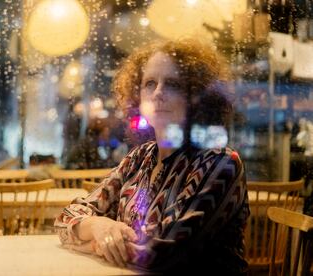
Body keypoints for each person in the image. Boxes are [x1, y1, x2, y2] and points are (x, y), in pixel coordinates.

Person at [54, 40, 250, 275]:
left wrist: (92, 244)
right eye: (150, 83)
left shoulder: (219, 163)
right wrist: (98, 225)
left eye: (173, 84)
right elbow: (66, 218)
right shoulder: (139, 157)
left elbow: (161, 253)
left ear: (196, 96)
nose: (158, 93)